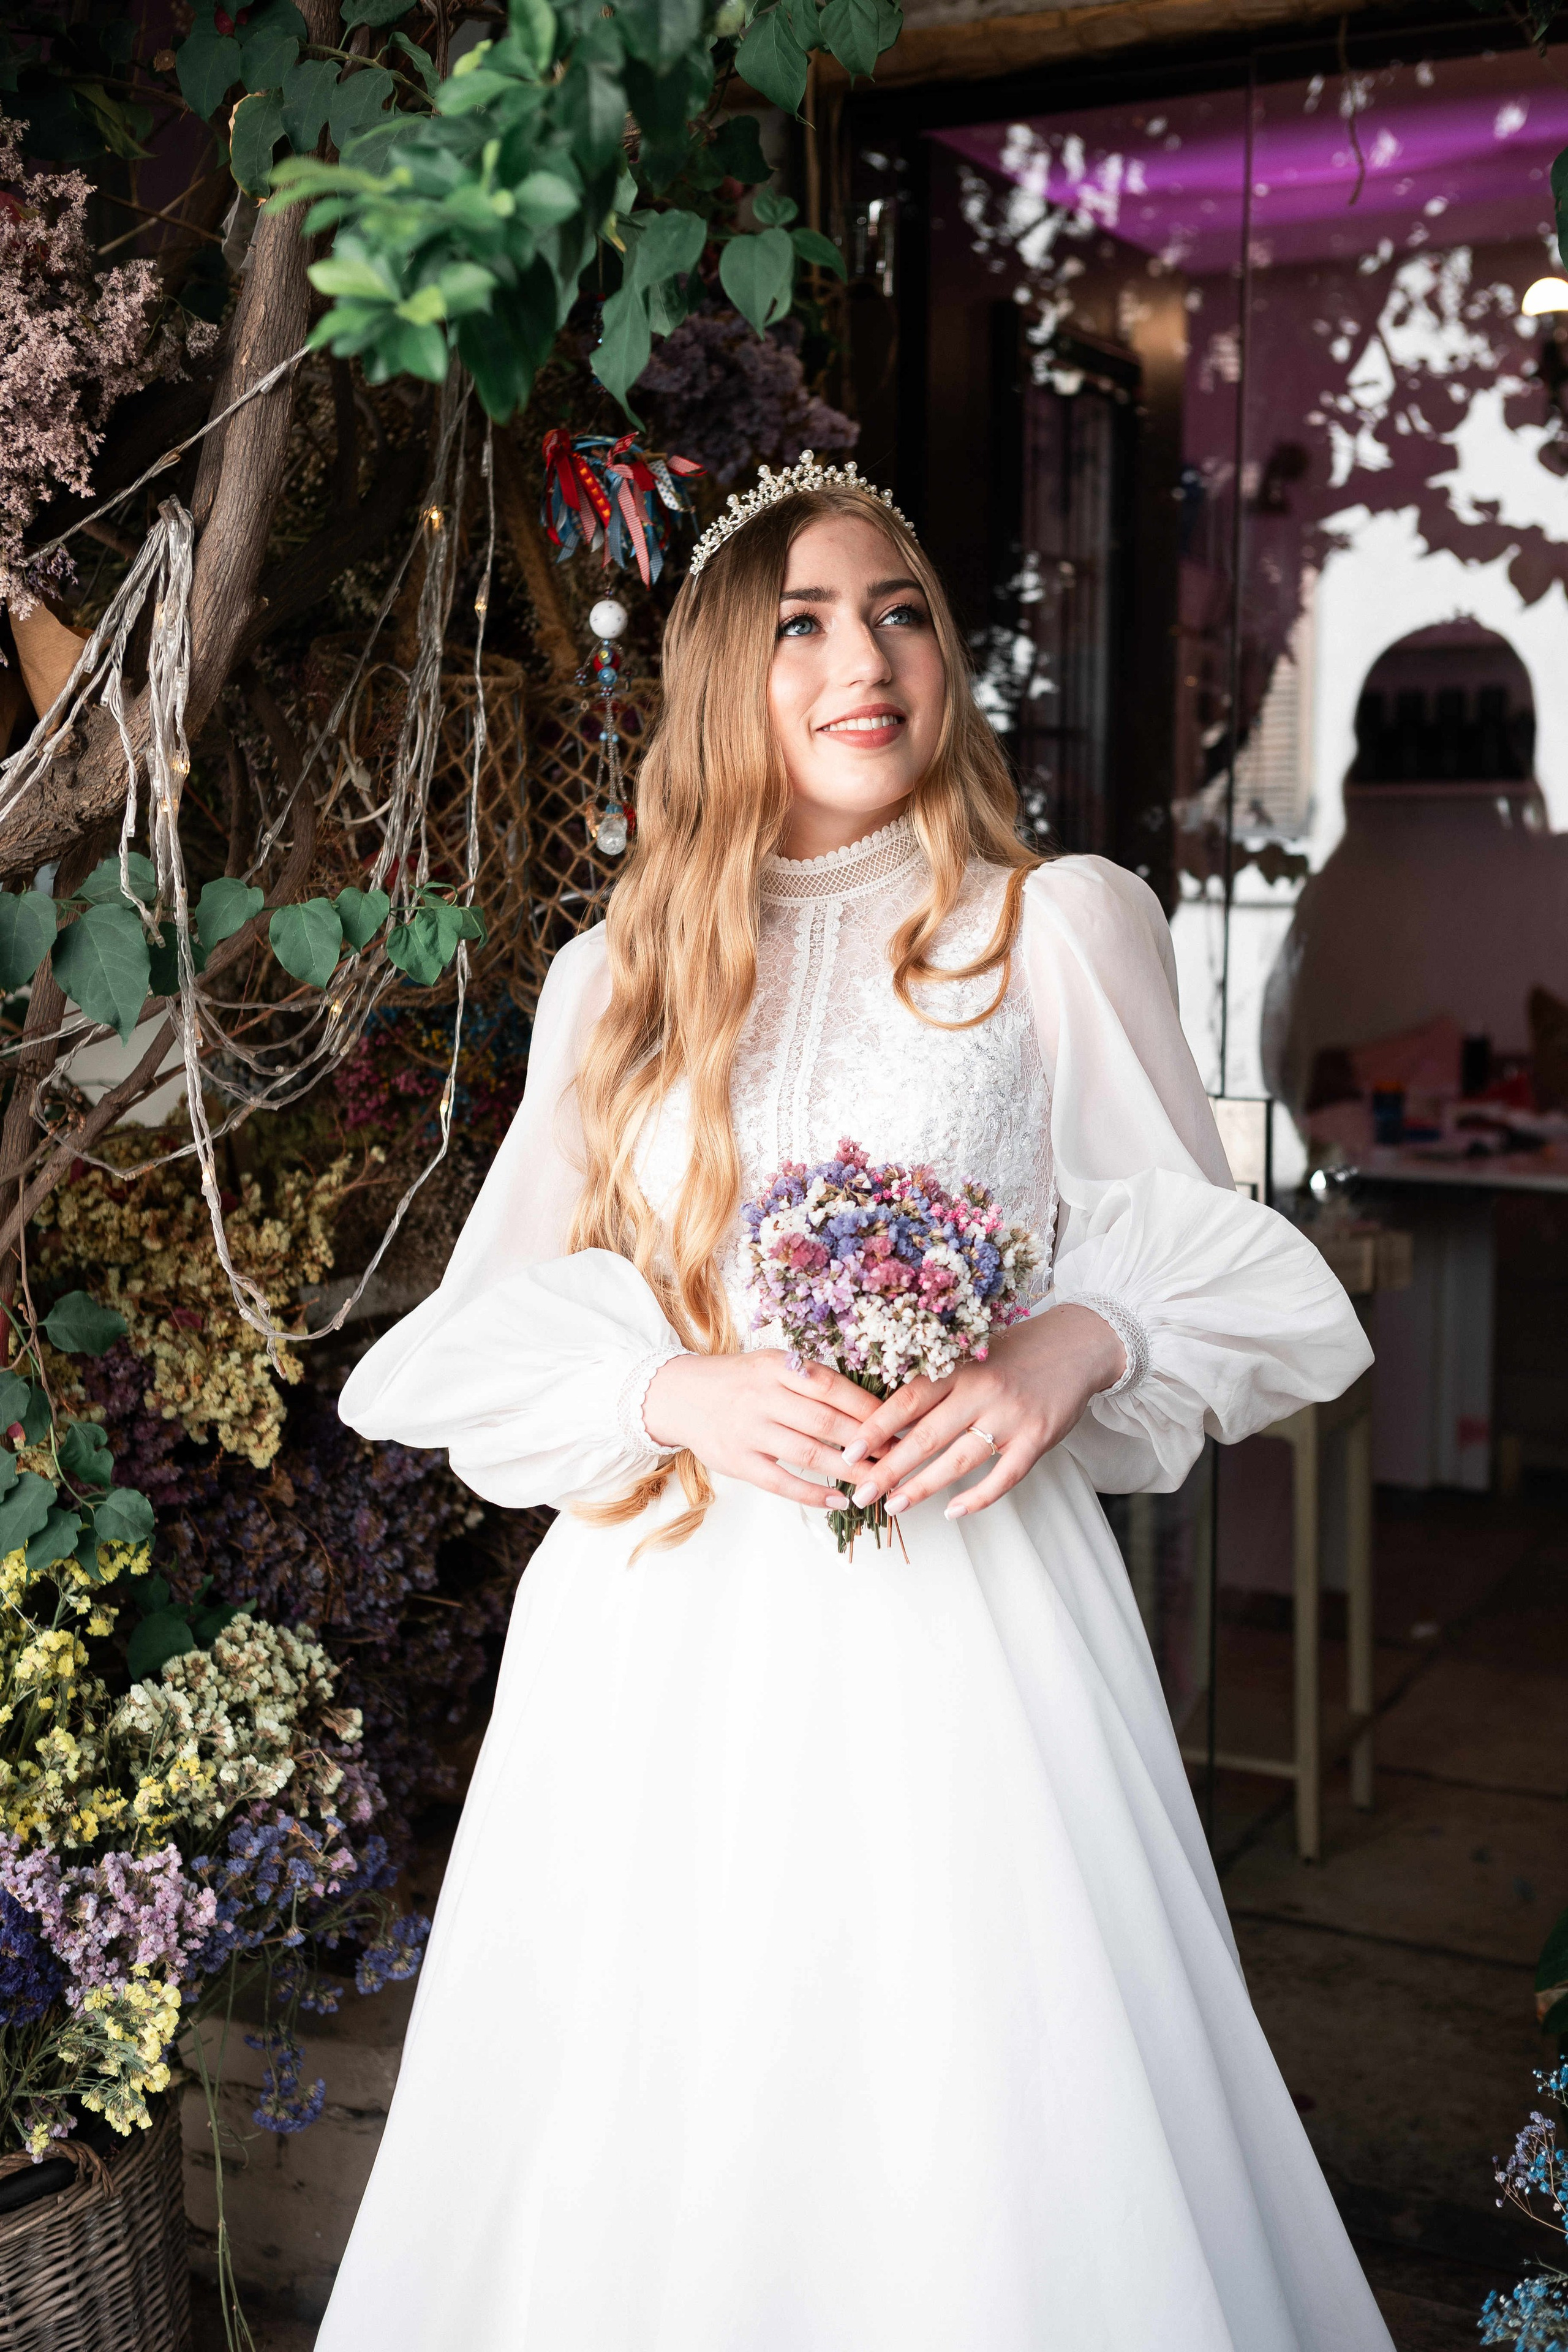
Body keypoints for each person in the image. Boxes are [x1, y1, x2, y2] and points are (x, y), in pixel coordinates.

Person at [316, 456, 1391, 2351]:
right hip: (656, 1643)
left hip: (967, 1640)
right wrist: (669, 1384)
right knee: (653, 2123)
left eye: (899, 610)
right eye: (804, 620)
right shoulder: (618, 978)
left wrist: (1075, 1344)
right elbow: (469, 1338)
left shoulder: (1050, 925)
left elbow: (1238, 1275)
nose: (865, 656)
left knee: (974, 2116)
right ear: (730, 671)